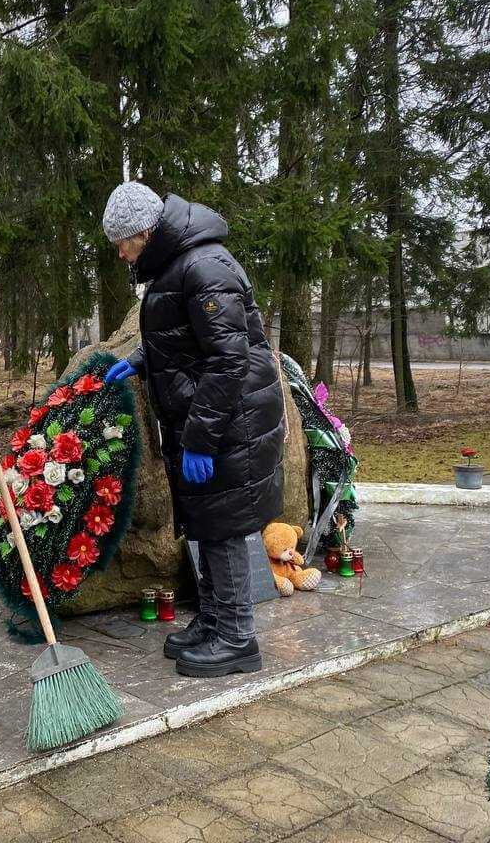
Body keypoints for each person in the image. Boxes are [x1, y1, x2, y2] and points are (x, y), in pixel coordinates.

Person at [102, 181, 284, 677]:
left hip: (230, 420)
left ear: (143, 232)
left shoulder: (201, 266)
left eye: (122, 242)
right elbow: (187, 338)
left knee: (222, 527)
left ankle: (238, 639)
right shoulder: (176, 264)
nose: (120, 253)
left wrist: (201, 440)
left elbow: (228, 359)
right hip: (212, 416)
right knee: (204, 522)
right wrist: (141, 360)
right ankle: (212, 620)